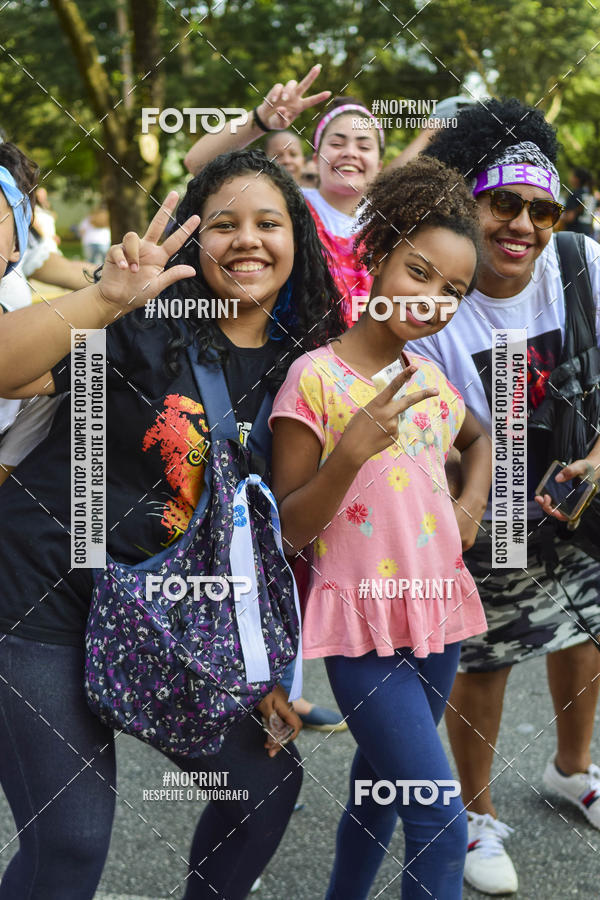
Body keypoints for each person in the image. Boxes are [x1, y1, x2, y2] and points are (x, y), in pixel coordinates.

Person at [0, 148, 346, 899]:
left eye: (268, 223)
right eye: (224, 224)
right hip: (40, 595)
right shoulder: (143, 320)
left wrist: (257, 674)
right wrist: (104, 300)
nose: (247, 240)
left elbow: (264, 539)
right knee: (71, 841)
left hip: (164, 621)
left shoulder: (305, 367)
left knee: (262, 787)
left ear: (299, 240)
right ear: (196, 241)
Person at [270, 157, 492, 899]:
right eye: (419, 271)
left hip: (438, 620)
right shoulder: (314, 378)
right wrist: (351, 451)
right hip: (361, 633)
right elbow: (288, 531)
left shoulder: (431, 377)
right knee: (442, 820)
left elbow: (485, 438)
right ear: (380, 253)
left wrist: (472, 507)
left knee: (382, 798)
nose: (432, 299)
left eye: (453, 291)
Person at [405, 98, 600, 895]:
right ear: (467, 201)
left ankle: (572, 771)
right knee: (484, 657)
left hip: (585, 490)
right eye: (504, 204)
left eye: (542, 208)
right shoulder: (436, 292)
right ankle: (476, 815)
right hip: (486, 510)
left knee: (587, 628)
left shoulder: (583, 264)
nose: (524, 225)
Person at [184, 64, 383, 327]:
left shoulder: (390, 224)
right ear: (315, 158)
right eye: (336, 143)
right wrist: (260, 120)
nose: (349, 152)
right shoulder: (292, 204)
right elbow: (198, 164)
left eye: (364, 145)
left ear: (380, 164)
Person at [560, 166, 595, 236]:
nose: (570, 178)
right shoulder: (590, 194)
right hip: (587, 233)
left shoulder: (575, 193)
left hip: (574, 233)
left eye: (572, 176)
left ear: (577, 179)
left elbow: (570, 217)